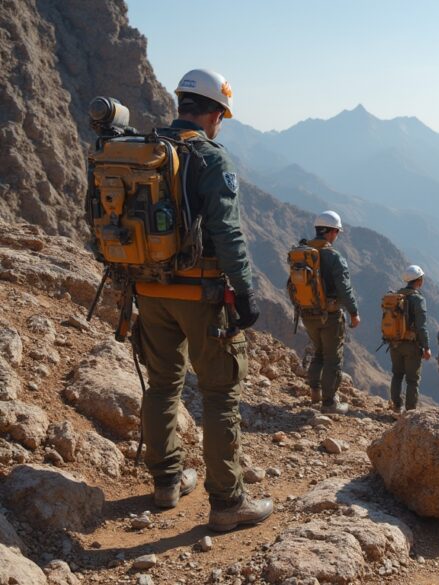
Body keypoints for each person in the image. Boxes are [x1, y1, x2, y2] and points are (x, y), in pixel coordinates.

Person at [135, 69, 272, 532]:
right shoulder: (210, 157)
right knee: (219, 395)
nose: (221, 125)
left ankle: (166, 483)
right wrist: (246, 289)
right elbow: (227, 232)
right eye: (222, 117)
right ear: (214, 113)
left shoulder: (145, 149)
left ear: (181, 104)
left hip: (149, 290)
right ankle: (228, 503)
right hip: (201, 296)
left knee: (161, 385)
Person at [301, 211, 360, 413]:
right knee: (332, 358)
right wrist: (353, 312)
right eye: (337, 232)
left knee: (318, 352)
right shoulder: (334, 257)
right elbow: (345, 288)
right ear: (332, 232)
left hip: (307, 313)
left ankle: (315, 392)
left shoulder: (303, 253)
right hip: (330, 316)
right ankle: (329, 403)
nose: (337, 236)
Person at [389, 265, 430, 412]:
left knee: (397, 375)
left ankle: (396, 407)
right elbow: (421, 326)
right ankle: (410, 412)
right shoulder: (418, 299)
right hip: (411, 345)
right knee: (412, 380)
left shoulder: (395, 296)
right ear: (419, 280)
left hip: (394, 343)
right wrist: (426, 347)